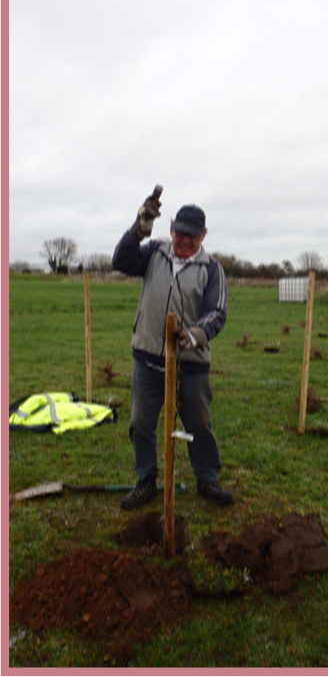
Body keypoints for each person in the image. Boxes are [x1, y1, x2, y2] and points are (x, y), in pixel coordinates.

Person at [112, 187, 232, 509]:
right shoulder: (154, 252)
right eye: (180, 233)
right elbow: (120, 261)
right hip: (148, 359)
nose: (184, 241)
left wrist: (195, 335)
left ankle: (207, 478)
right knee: (140, 423)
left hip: (190, 364)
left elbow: (217, 312)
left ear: (203, 235)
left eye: (192, 236)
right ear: (171, 229)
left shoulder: (212, 269)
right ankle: (145, 480)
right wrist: (139, 227)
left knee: (198, 423)